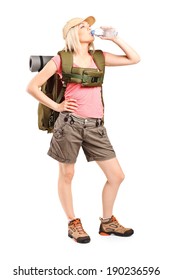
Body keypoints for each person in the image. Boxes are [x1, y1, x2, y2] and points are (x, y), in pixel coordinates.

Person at [27, 16, 140, 244]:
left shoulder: (99, 58)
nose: (89, 29)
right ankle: (73, 223)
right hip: (70, 124)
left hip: (96, 126)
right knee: (67, 175)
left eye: (89, 27)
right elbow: (32, 86)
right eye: (83, 26)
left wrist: (115, 38)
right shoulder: (61, 59)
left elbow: (134, 58)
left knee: (116, 176)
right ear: (71, 33)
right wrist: (57, 106)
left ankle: (107, 222)